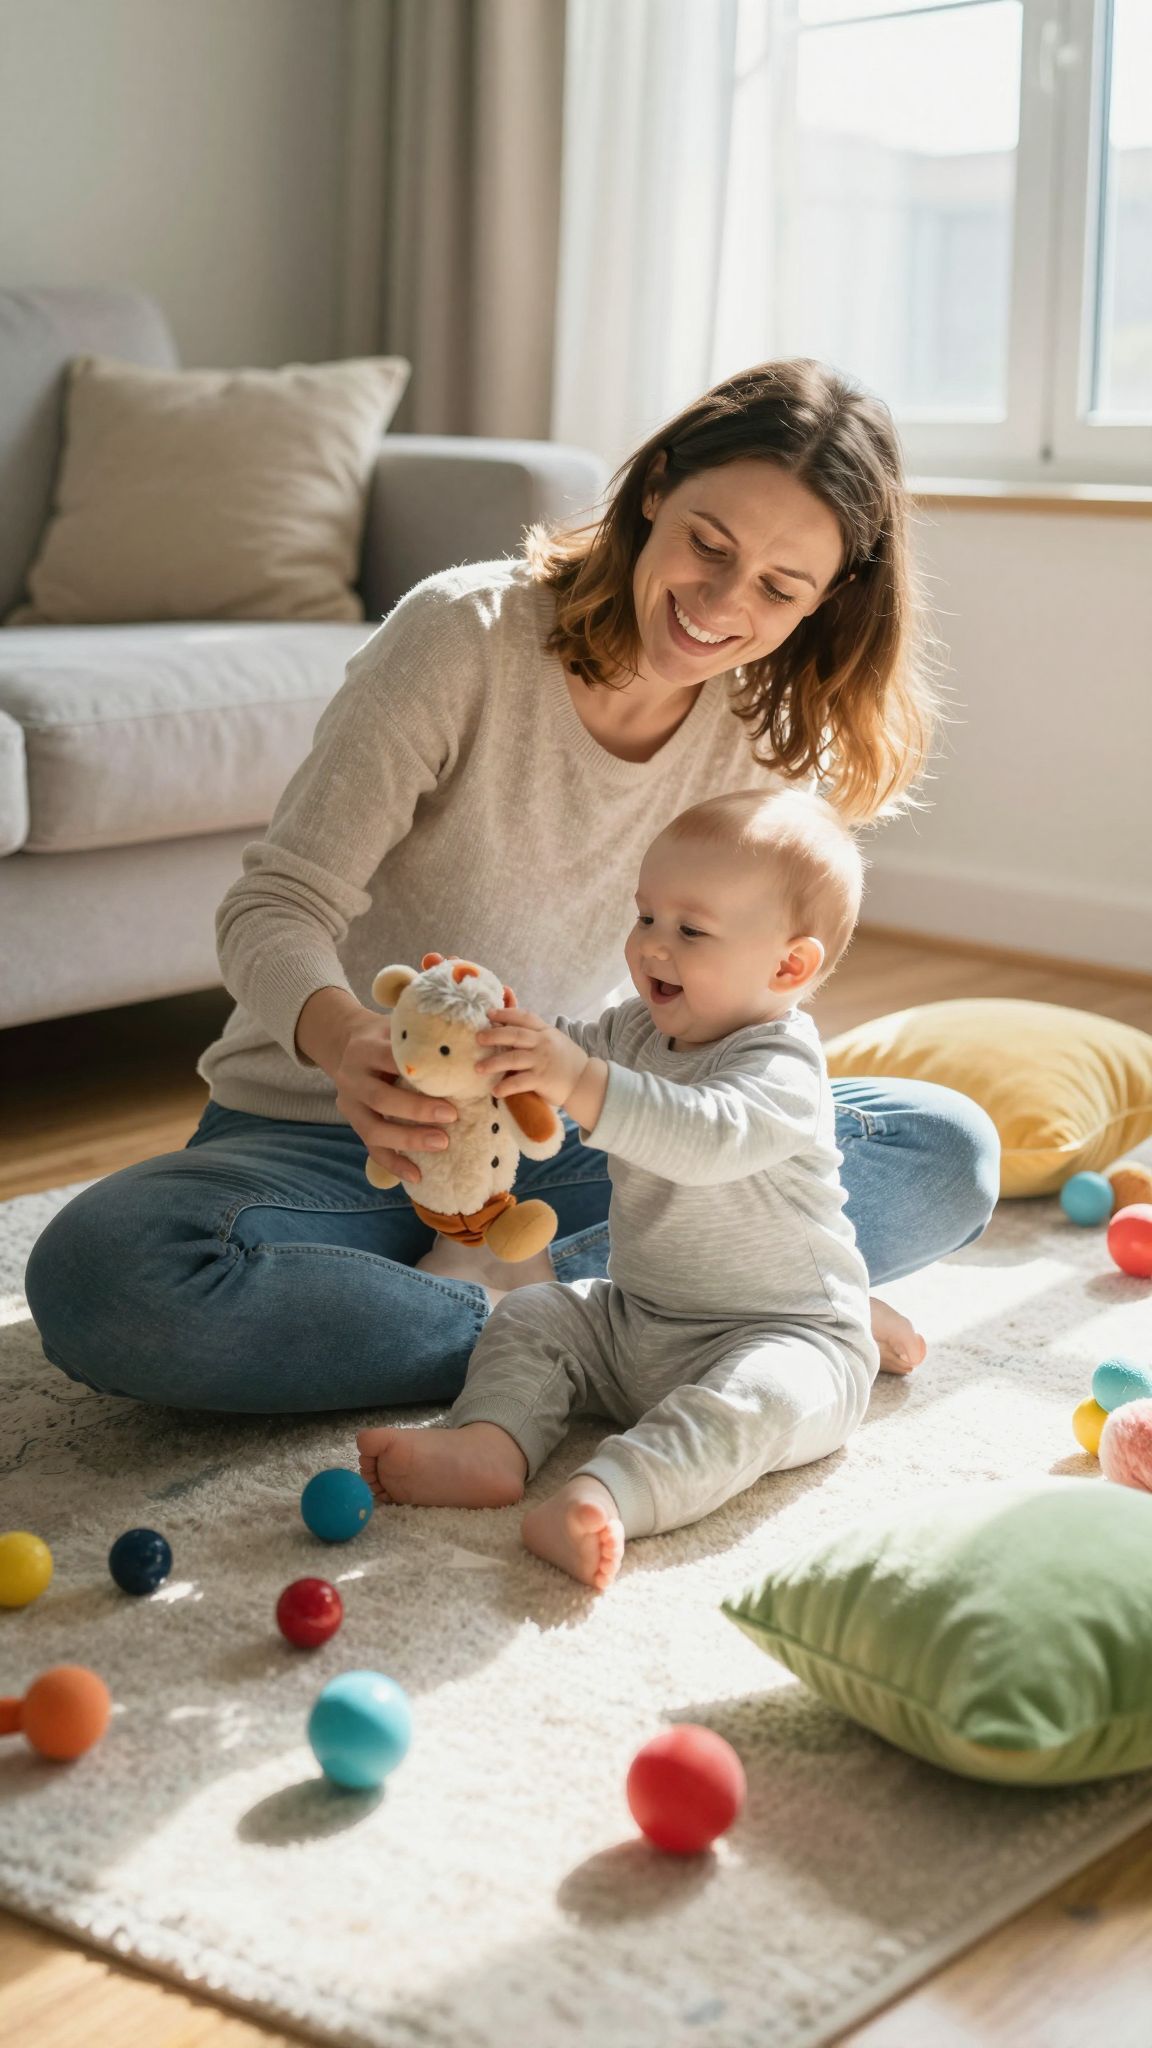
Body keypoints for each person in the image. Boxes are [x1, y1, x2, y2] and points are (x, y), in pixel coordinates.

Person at [24, 358, 999, 1414]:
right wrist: (348, 1040)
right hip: (327, 1140)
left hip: (575, 1129)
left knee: (944, 1146)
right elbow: (274, 905)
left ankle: (543, 1319)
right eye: (708, 546)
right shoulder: (464, 636)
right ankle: (579, 1327)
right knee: (103, 1276)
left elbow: (740, 1017)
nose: (722, 604)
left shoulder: (764, 737)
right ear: (656, 488)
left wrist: (654, 1103)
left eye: (778, 587)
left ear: (831, 596)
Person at [356, 790, 880, 1593]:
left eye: (690, 930)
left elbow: (704, 1135)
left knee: (757, 1402)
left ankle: (608, 1495)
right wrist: (493, 1045)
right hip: (636, 1321)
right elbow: (565, 1055)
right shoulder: (636, 1028)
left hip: (785, 1332)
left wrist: (578, 1078)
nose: (651, 947)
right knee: (534, 1313)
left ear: (789, 966)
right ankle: (490, 1444)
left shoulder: (783, 1066)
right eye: (645, 917)